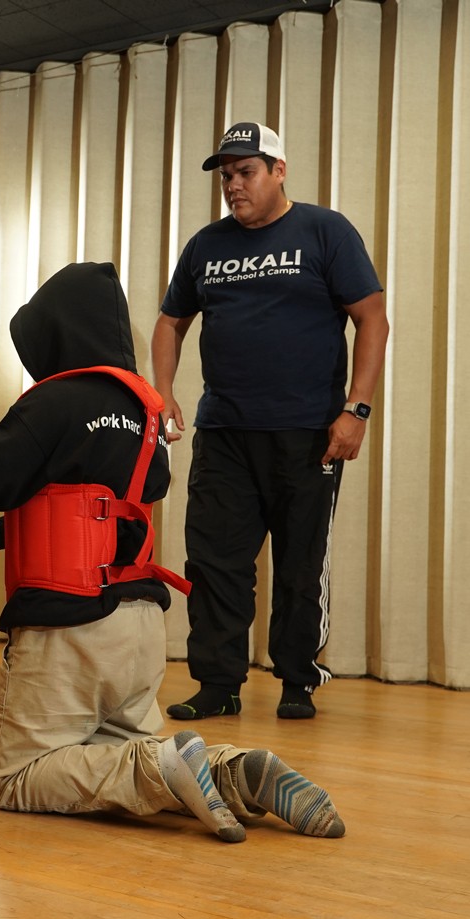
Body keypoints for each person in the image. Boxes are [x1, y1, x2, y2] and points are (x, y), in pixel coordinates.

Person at [0, 262, 345, 841]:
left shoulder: (52, 404)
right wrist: (6, 533)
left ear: (56, 332)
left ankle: (165, 767)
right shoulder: (144, 416)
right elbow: (111, 501)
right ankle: (229, 772)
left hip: (69, 629)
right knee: (114, 747)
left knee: (17, 774)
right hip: (139, 631)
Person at [152, 122, 389, 722]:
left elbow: (373, 319)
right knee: (215, 562)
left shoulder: (324, 231)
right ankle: (217, 683)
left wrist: (355, 409)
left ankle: (296, 679)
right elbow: (170, 321)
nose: (233, 185)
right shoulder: (207, 245)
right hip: (226, 433)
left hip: (310, 433)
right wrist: (162, 391)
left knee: (300, 562)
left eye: (246, 172)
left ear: (279, 171)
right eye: (226, 175)